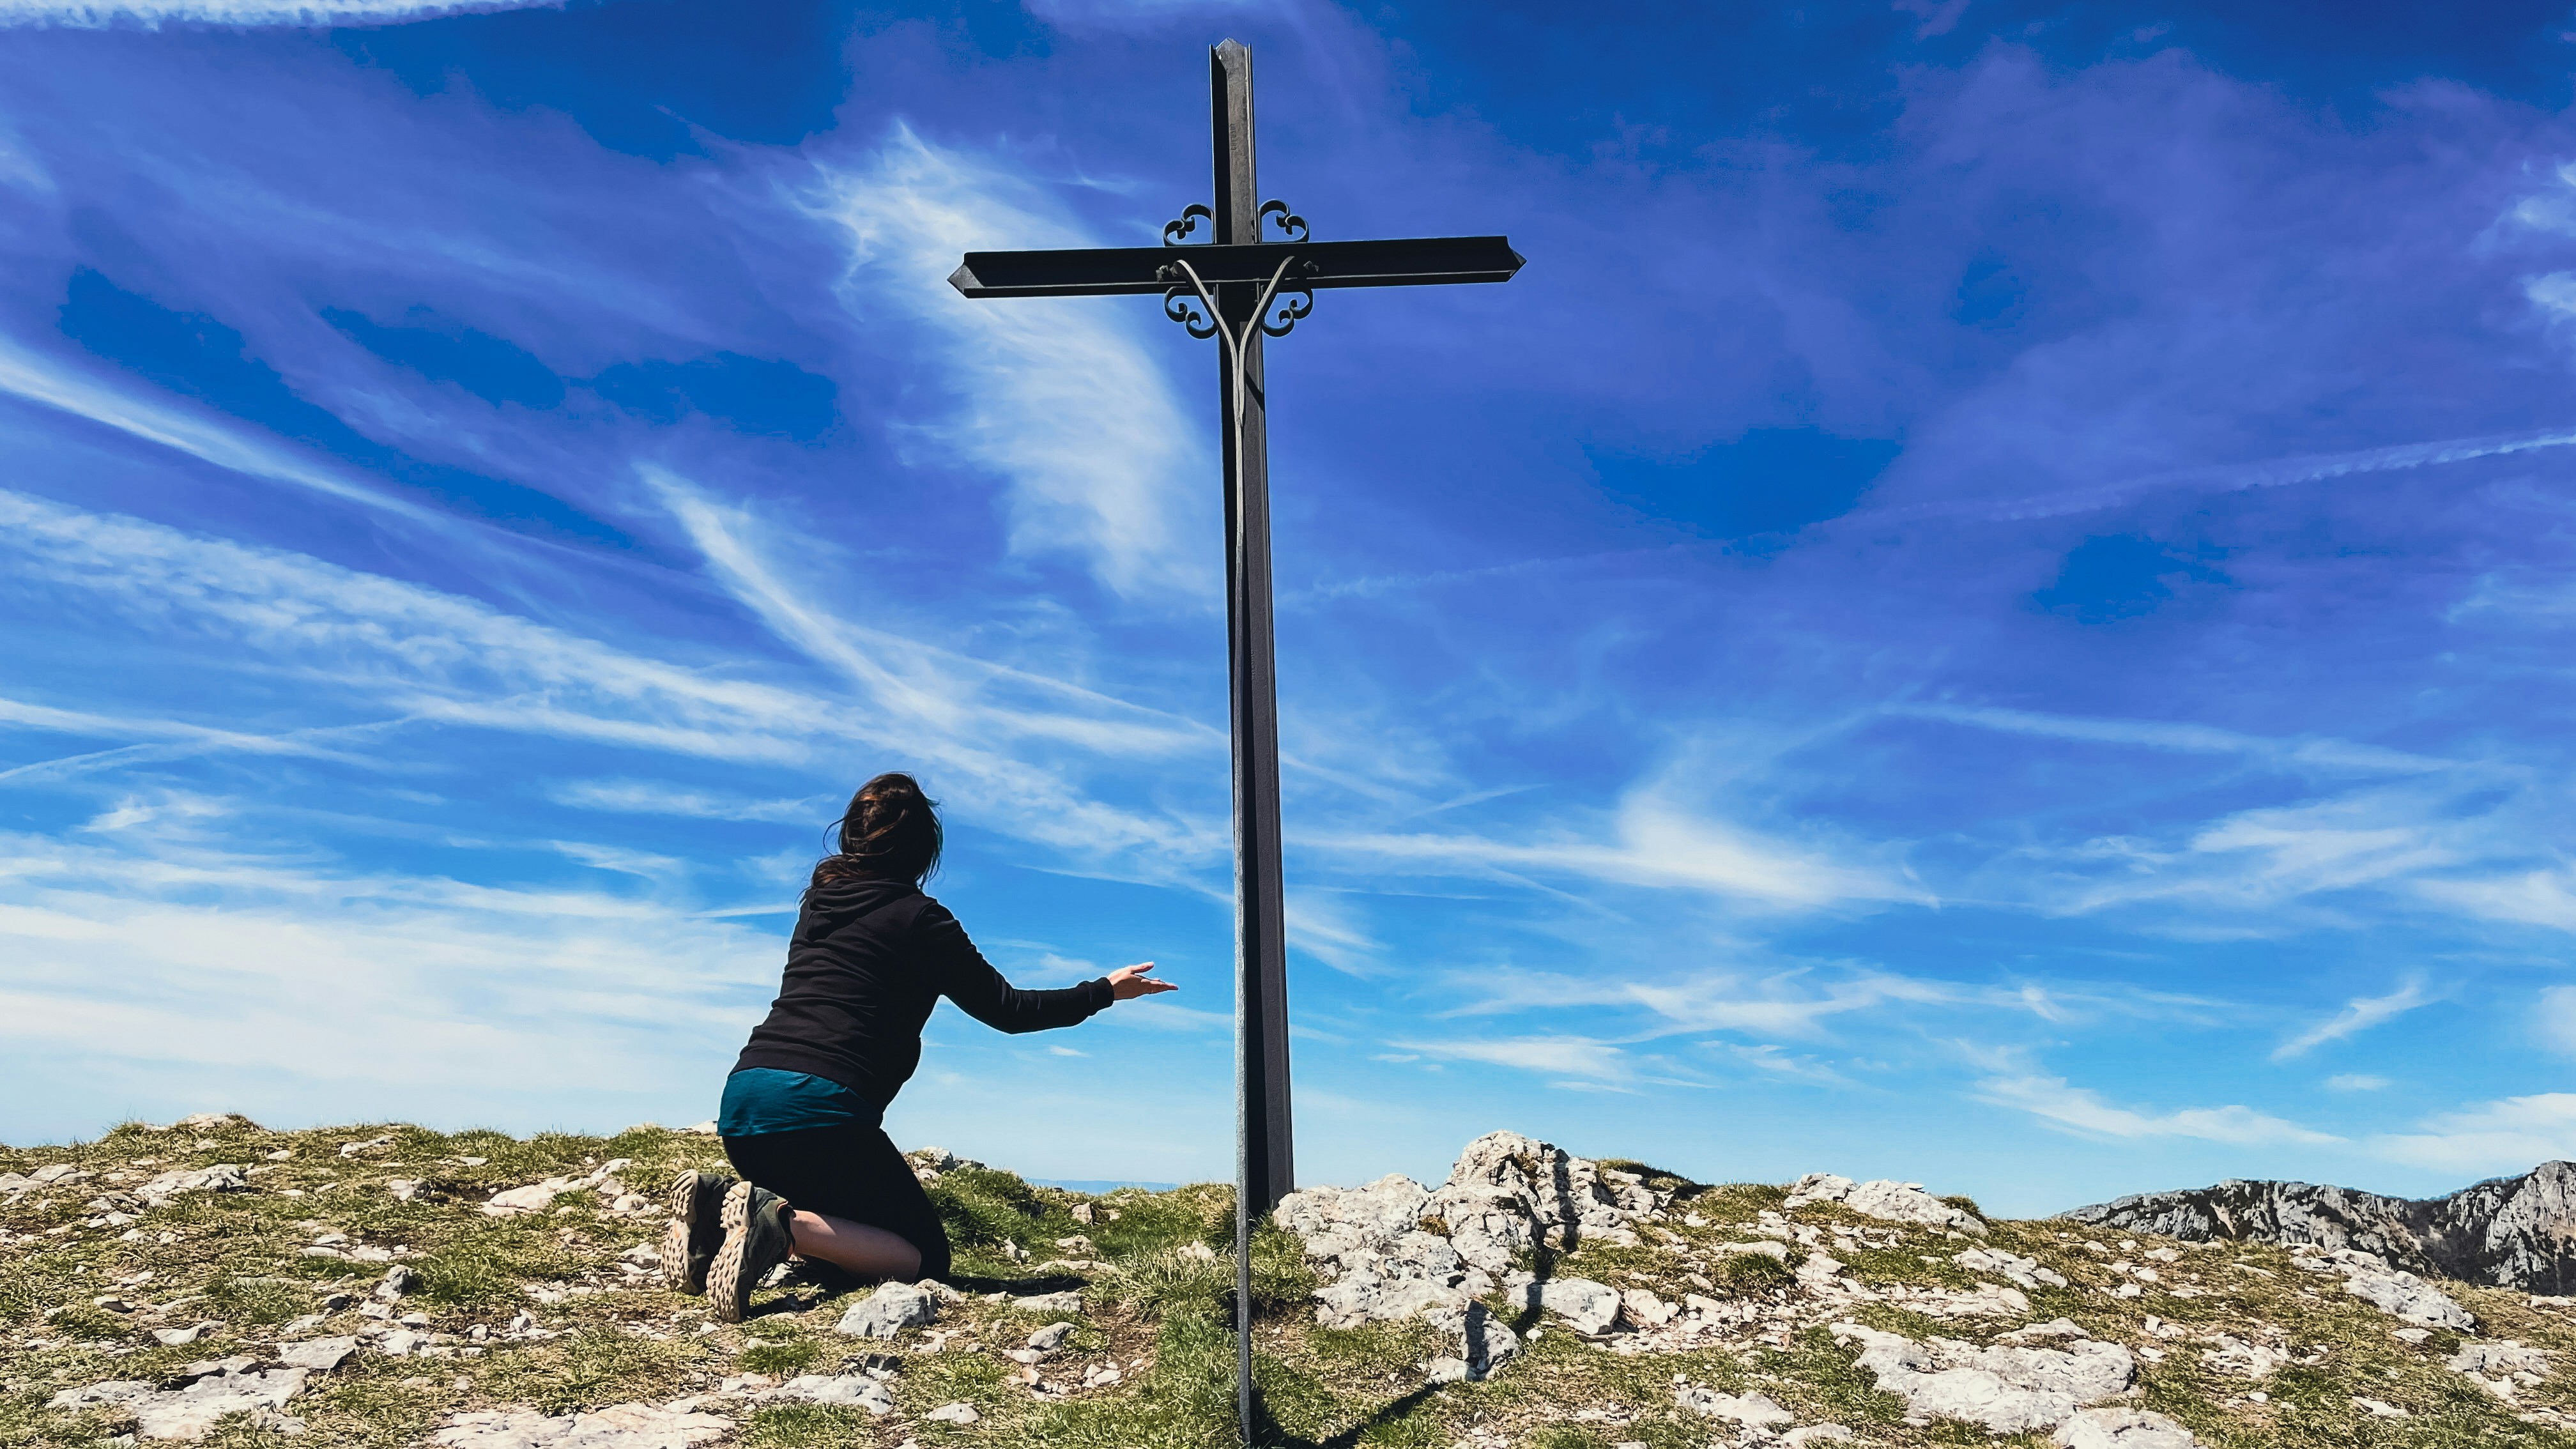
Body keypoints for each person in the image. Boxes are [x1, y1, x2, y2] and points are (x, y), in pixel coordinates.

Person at [661, 771, 1174, 1320]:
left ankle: (718, 1215)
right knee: (922, 1256)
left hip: (744, 1104)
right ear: (925, 851)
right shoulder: (922, 920)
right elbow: (1009, 1011)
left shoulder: (818, 908)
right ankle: (774, 1224)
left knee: (846, 1246)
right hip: (821, 1111)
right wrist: (1103, 992)